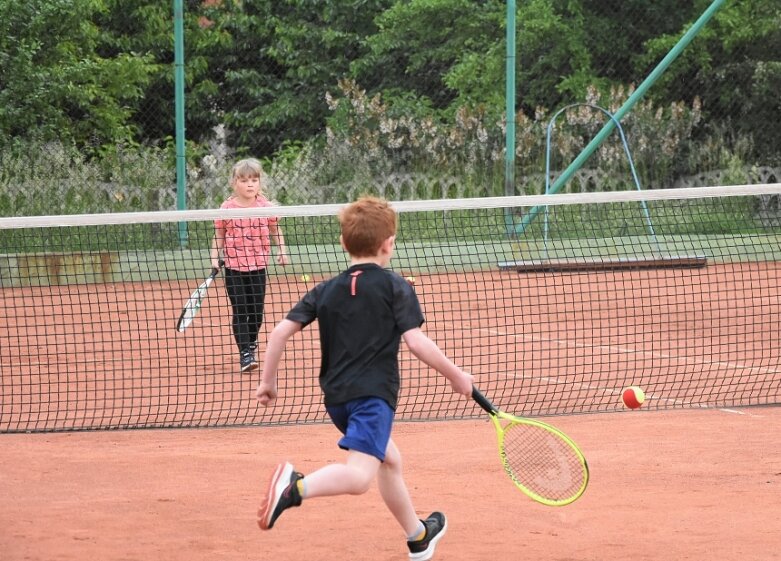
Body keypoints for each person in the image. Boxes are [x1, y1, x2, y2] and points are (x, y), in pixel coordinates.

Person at [255, 196, 473, 560]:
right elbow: (416, 341)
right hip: (372, 399)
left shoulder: (325, 288)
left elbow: (278, 333)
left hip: (338, 400)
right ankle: (294, 489)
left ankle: (418, 536)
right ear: (389, 244)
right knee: (358, 478)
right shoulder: (396, 287)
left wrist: (268, 383)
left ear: (343, 243)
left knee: (390, 459)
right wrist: (456, 375)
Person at [210, 158, 289, 373]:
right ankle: (245, 352)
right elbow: (219, 234)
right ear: (235, 183)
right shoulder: (226, 207)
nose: (250, 184)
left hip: (258, 266)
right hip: (233, 268)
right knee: (240, 309)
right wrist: (213, 257)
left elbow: (275, 230)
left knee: (256, 311)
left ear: (259, 182)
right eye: (244, 180)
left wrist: (282, 250)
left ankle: (251, 342)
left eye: (254, 179)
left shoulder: (265, 207)